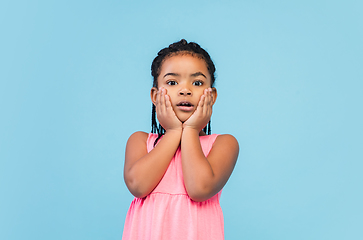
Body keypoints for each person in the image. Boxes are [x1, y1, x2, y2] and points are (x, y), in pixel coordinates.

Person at [122, 39, 239, 240]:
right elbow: (138, 186)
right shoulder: (140, 141)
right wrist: (174, 131)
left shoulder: (223, 144)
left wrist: (191, 130)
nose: (185, 90)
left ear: (212, 96)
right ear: (155, 95)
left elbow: (199, 189)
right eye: (172, 82)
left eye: (197, 83)